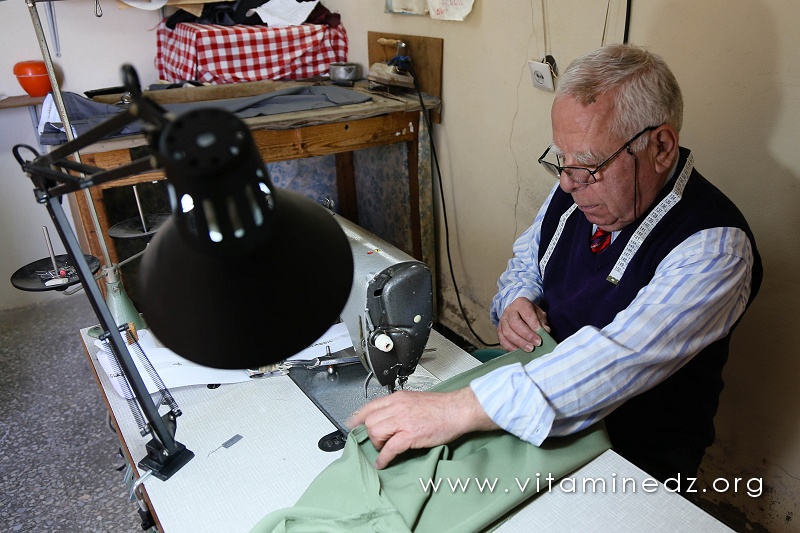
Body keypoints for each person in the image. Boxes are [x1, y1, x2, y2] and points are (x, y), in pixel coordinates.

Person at [347, 43, 762, 483]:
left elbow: (619, 359)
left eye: (585, 167)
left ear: (660, 146)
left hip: (634, 456)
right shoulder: (579, 183)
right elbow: (528, 261)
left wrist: (460, 407)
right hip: (534, 405)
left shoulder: (715, 249)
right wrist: (516, 301)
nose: (567, 182)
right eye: (561, 160)